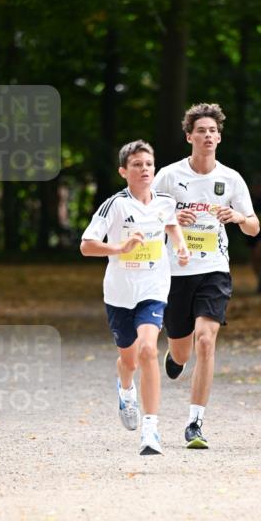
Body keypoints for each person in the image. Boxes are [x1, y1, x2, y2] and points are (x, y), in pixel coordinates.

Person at [153, 102, 260, 448]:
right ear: (189, 137)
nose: (209, 136)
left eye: (213, 131)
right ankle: (175, 357)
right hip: (176, 271)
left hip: (215, 269)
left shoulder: (231, 179)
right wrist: (170, 220)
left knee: (206, 339)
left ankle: (195, 423)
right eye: (202, 130)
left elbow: (255, 228)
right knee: (183, 349)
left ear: (219, 137)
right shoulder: (169, 176)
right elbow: (144, 217)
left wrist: (239, 218)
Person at [80, 140, 189, 455]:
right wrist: (118, 249)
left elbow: (170, 225)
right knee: (128, 359)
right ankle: (125, 389)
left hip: (153, 288)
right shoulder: (115, 205)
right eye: (138, 165)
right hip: (119, 294)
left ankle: (151, 430)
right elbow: (86, 245)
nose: (144, 170)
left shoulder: (165, 201)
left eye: (149, 164)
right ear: (123, 171)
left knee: (148, 351)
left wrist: (179, 245)